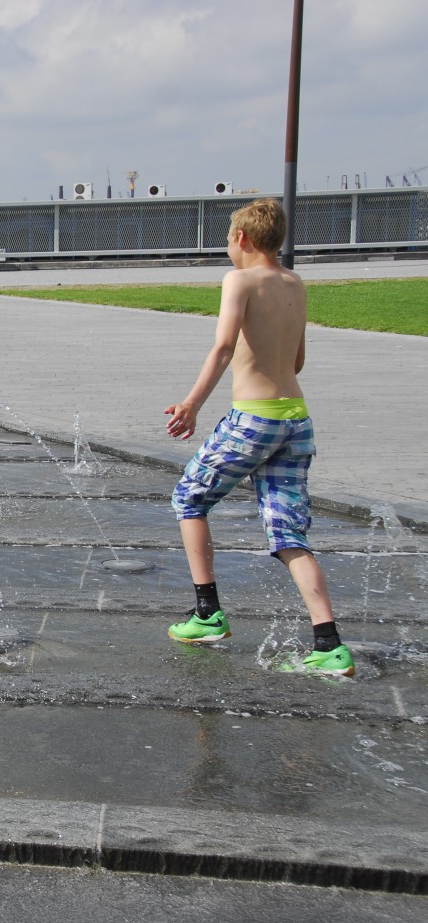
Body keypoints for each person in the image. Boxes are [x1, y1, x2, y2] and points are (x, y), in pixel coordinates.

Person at [164, 198, 353, 676]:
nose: (229, 248)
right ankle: (328, 644)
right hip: (296, 419)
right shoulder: (294, 282)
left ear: (242, 240)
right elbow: (297, 362)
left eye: (229, 239)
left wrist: (191, 404)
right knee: (289, 532)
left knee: (189, 497)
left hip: (255, 419)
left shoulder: (239, 280)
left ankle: (207, 614)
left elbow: (224, 346)